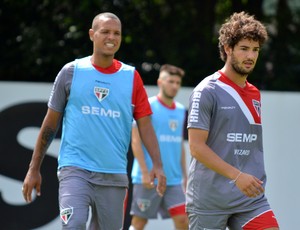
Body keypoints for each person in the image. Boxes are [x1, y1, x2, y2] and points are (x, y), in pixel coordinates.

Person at [22, 12, 166, 230]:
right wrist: (34, 169)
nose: (112, 37)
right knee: (74, 225)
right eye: (105, 31)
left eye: (117, 33)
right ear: (92, 34)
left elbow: (145, 125)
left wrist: (157, 164)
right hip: (75, 169)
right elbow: (50, 123)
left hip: (114, 174)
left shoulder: (131, 77)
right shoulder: (71, 72)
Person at [186, 11, 279, 230]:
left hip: (249, 198)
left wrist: (244, 179)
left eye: (255, 50)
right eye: (244, 49)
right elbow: (196, 147)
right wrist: (237, 176)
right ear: (228, 49)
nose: (251, 56)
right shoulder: (206, 91)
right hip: (209, 200)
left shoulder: (255, 93)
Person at [129, 64, 189, 230]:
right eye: (171, 81)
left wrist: (185, 175)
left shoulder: (180, 110)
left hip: (173, 179)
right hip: (149, 177)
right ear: (160, 82)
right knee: (139, 223)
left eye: (178, 82)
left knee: (184, 220)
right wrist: (144, 171)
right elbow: (135, 141)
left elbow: (179, 145)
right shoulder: (147, 106)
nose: (175, 86)